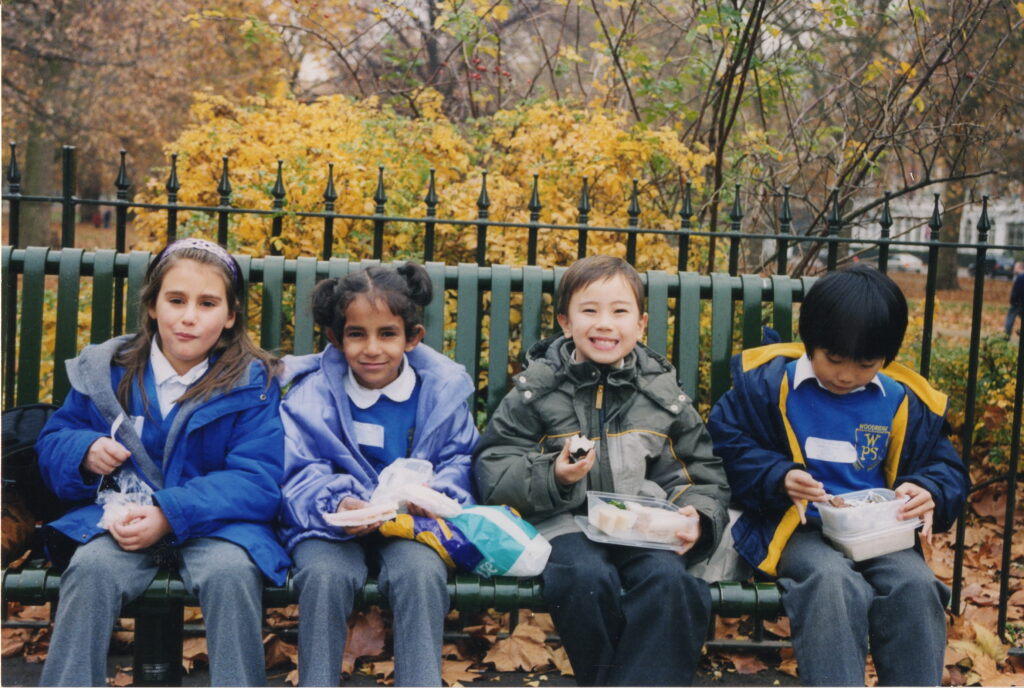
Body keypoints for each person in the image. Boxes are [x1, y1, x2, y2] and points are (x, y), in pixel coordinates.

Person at [36, 238, 289, 686]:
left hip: (218, 525)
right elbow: (55, 439)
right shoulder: (108, 372)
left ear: (230, 316)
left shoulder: (253, 383)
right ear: (153, 305)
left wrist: (169, 514)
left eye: (207, 303)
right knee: (90, 571)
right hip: (120, 523)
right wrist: (84, 452)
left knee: (231, 576)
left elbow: (257, 480)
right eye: (176, 300)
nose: (189, 316)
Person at [474, 255, 730, 686]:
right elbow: (494, 468)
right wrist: (554, 476)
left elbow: (698, 471)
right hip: (563, 525)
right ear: (566, 323)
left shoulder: (661, 395)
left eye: (619, 311)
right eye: (589, 310)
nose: (604, 323)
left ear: (641, 323)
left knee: (672, 583)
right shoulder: (537, 392)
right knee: (584, 577)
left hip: (642, 522)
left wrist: (698, 517)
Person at [707, 264, 969, 687]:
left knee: (916, 587)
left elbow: (944, 466)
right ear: (811, 342)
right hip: (797, 528)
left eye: (867, 363)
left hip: (878, 534)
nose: (847, 375)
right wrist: (777, 476)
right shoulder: (768, 385)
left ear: (887, 357)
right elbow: (723, 444)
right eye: (834, 359)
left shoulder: (904, 400)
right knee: (830, 584)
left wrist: (931, 489)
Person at [277, 262, 478, 687]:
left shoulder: (439, 393)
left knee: (421, 575)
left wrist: (436, 495)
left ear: (412, 338)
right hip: (333, 525)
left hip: (412, 525)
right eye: (357, 334)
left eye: (387, 334)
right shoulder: (311, 396)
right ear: (335, 338)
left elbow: (459, 460)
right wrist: (337, 503)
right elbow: (297, 470)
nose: (372, 349)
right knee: (324, 576)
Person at [1005, 260, 1024, 337]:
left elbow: (1017, 291)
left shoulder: (1020, 277)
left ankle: (1006, 336)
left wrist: (1013, 300)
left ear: (1020, 267)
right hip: (1021, 302)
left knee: (1010, 319)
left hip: (1017, 302)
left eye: (1015, 267)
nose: (1014, 268)